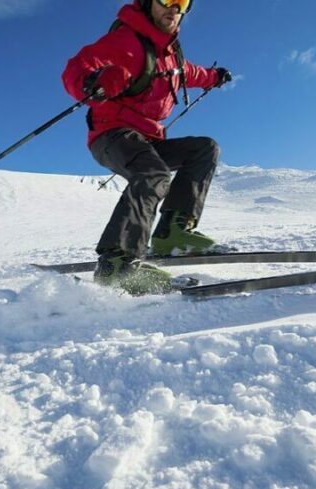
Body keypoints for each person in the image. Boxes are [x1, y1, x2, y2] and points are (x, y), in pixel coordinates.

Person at [62, 0, 232, 295]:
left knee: (204, 148)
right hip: (112, 134)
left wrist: (214, 77)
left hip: (148, 140)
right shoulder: (126, 41)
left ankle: (172, 234)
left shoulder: (171, 55)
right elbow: (77, 68)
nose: (174, 8)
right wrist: (93, 82)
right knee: (153, 174)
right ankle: (118, 263)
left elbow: (188, 74)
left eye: (182, 2)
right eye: (167, 0)